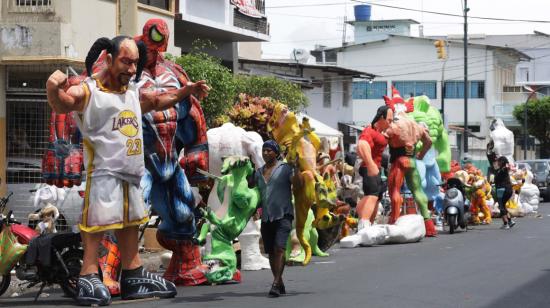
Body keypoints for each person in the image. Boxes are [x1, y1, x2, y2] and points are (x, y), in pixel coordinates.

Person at [46, 36, 209, 306]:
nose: (132, 70)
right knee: (97, 223)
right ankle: (89, 273)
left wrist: (185, 91)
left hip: (131, 175)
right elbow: (65, 102)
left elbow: (158, 101)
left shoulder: (131, 92)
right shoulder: (89, 91)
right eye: (126, 62)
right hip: (104, 175)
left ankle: (133, 275)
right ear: (108, 59)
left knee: (132, 222)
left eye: (135, 64)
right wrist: (53, 89)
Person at [254, 140, 294, 298]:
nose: (265, 153)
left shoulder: (285, 168)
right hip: (266, 217)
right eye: (264, 150)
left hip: (283, 214)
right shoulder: (258, 172)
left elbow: (296, 184)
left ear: (277, 153)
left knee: (279, 248)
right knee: (270, 251)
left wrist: (298, 170)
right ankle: (280, 281)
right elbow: (253, 189)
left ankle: (276, 283)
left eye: (269, 150)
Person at [355, 106, 391, 229]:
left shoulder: (380, 132)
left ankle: (368, 222)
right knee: (372, 195)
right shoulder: (369, 130)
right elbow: (362, 144)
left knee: (376, 197)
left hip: (377, 168)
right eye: (389, 120)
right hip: (369, 168)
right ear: (382, 118)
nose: (390, 123)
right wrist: (370, 164)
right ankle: (364, 223)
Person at [494, 156, 516, 229]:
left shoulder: (503, 169)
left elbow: (507, 168)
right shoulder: (500, 169)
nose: (497, 163)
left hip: (503, 190)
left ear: (502, 162)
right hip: (508, 189)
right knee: (503, 205)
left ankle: (505, 223)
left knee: (501, 206)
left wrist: (507, 167)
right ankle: (510, 221)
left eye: (499, 161)